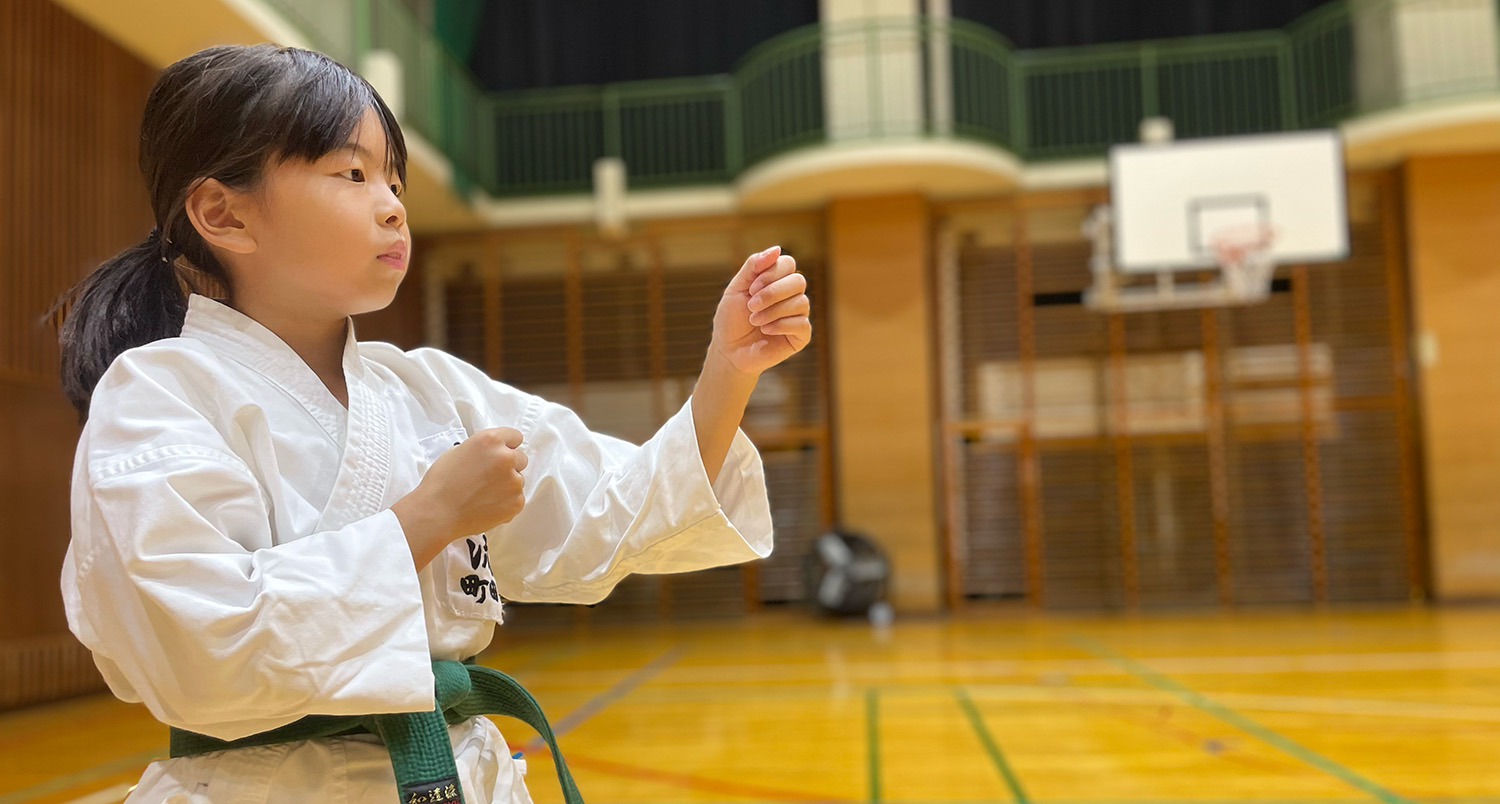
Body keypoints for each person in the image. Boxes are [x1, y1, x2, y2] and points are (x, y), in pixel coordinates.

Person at [52, 43, 811, 804]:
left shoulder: (429, 393)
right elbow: (198, 648)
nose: (391, 204)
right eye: (352, 174)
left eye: (393, 179)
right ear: (224, 213)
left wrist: (729, 370)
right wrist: (428, 517)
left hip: (461, 774)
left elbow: (612, 507)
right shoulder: (159, 396)